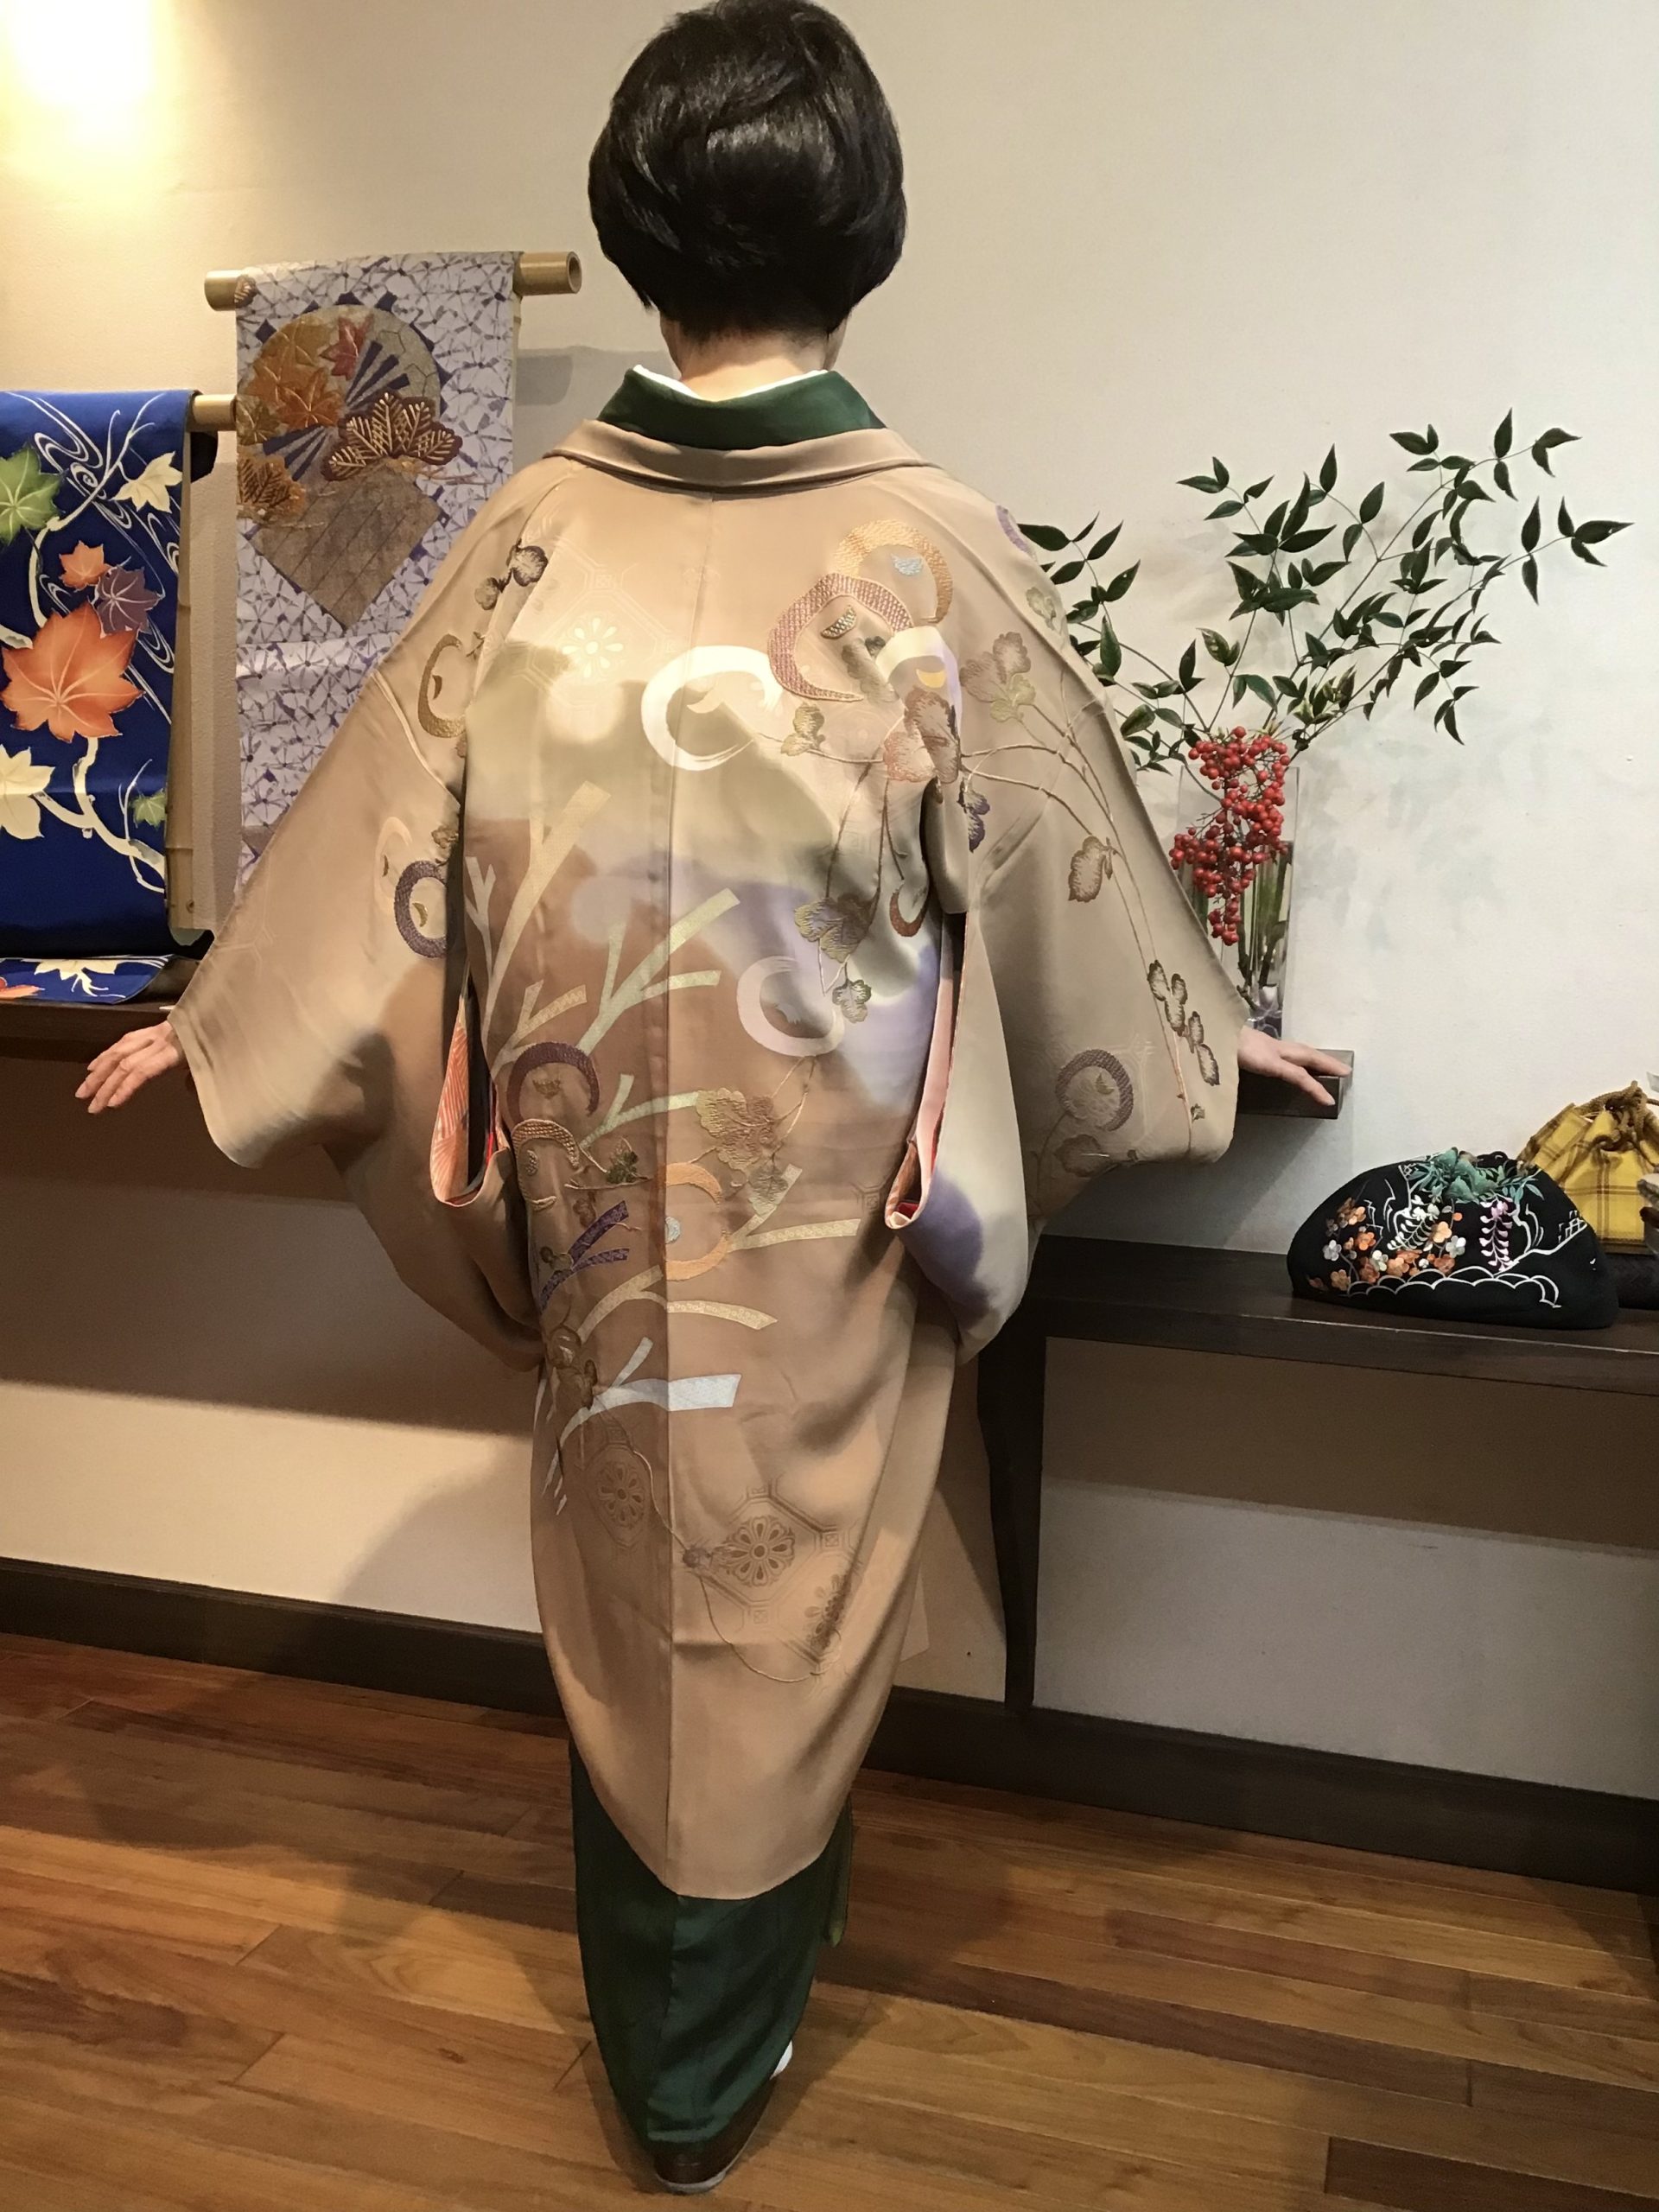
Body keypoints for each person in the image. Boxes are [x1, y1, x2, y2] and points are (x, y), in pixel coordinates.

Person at [79, 0, 1343, 2190]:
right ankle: (715, 2056)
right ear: (866, 231)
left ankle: (671, 2048)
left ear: (636, 231)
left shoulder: (527, 543)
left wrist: (222, 1021)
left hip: (599, 1203)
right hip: (824, 1214)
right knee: (778, 1598)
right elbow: (1056, 880)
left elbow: (367, 859)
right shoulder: (937, 546)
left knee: (641, 1583)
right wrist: (1189, 1019)